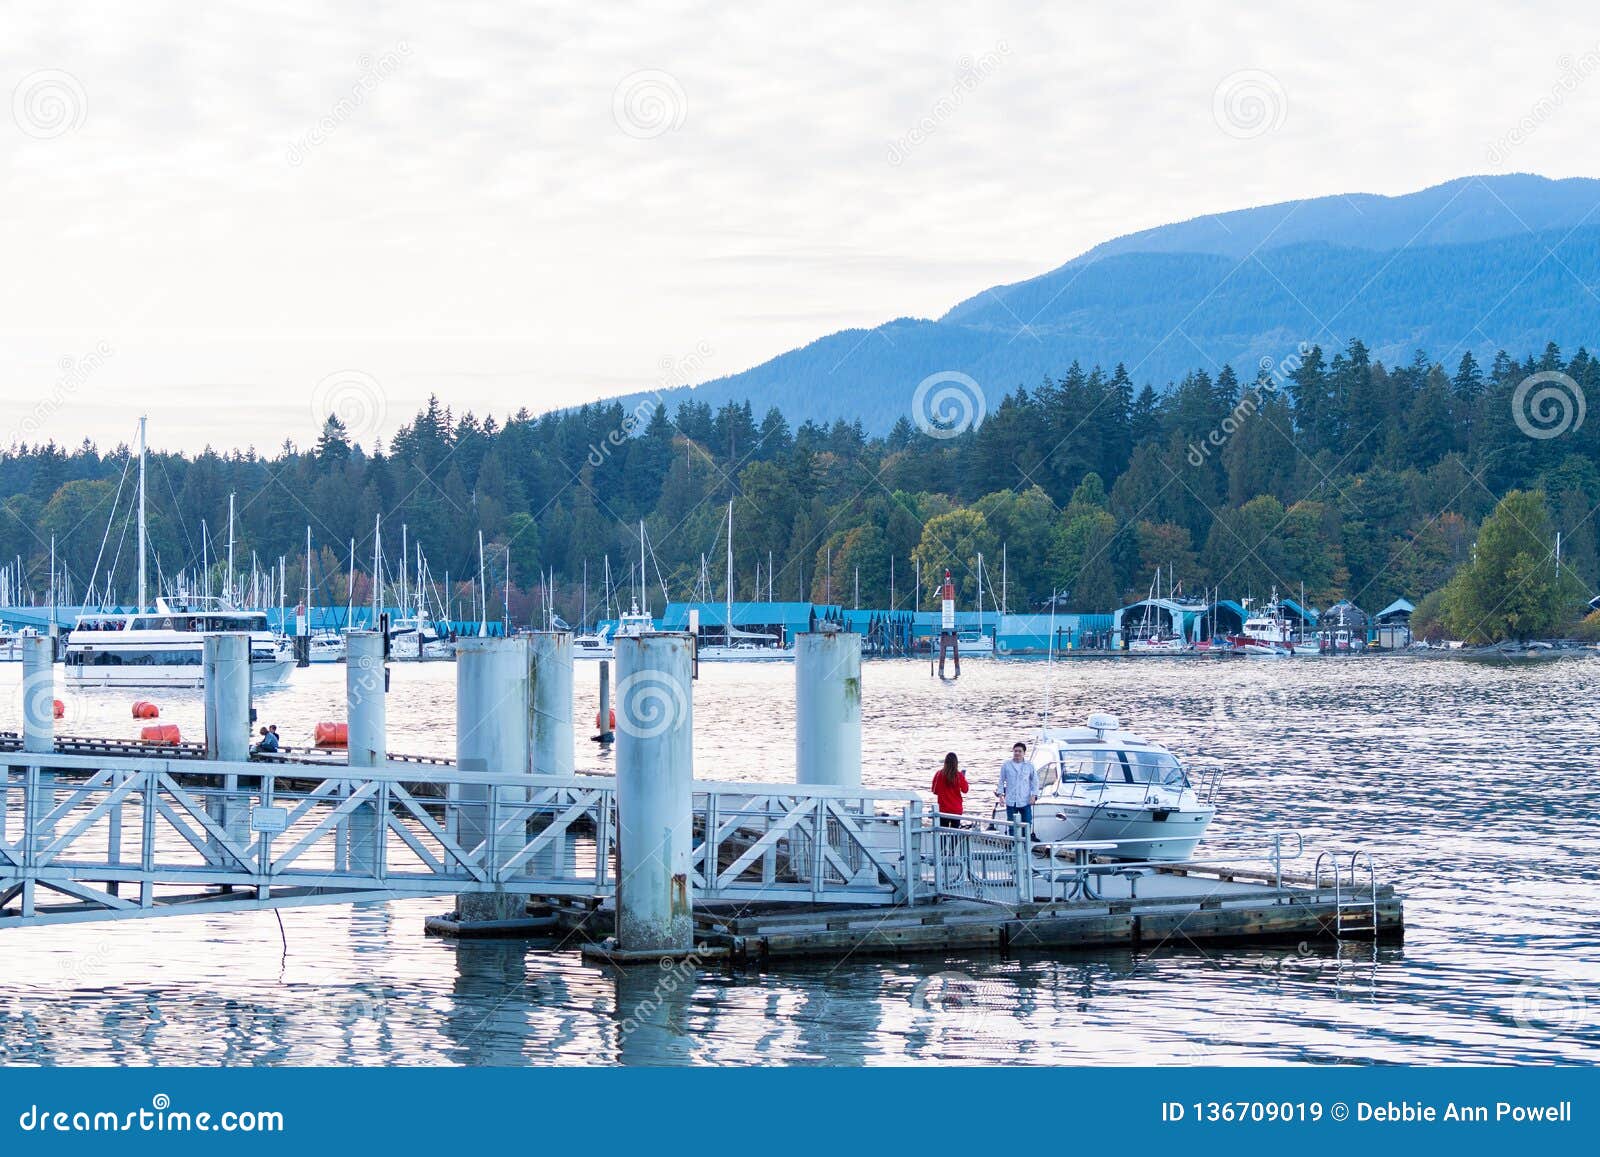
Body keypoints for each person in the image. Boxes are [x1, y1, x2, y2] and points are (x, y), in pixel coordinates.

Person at [997, 741, 1040, 840]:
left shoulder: (1029, 765)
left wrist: (1034, 795)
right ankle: (1013, 844)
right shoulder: (1006, 765)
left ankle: (1026, 844)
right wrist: (1001, 796)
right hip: (1011, 800)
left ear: (1024, 753)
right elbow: (1001, 780)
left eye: (1019, 751)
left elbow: (1035, 781)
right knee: (1012, 824)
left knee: (1027, 823)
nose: (1017, 753)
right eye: (1015, 751)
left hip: (1025, 799)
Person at [931, 752, 968, 827]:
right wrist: (964, 779)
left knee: (943, 834)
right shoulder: (959, 775)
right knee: (955, 834)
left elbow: (935, 791)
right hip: (956, 809)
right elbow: (965, 790)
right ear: (956, 763)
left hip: (943, 810)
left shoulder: (939, 774)